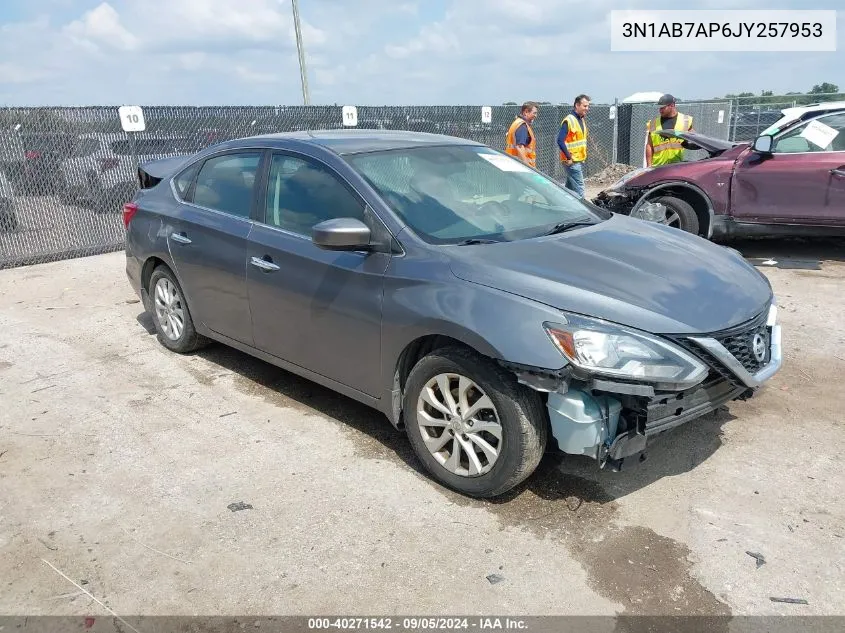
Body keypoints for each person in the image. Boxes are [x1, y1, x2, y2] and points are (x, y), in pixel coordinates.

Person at [645, 94, 695, 167]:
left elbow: (694, 138)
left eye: (663, 107)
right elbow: (649, 145)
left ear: (672, 105)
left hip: (677, 165)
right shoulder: (653, 123)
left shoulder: (685, 120)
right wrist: (649, 165)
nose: (660, 110)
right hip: (657, 166)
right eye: (659, 108)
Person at [556, 94, 590, 198]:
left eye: (588, 106)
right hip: (572, 161)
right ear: (577, 105)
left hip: (578, 159)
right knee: (579, 187)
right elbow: (560, 140)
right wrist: (569, 157)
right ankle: (585, 211)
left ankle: (564, 205)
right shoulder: (569, 120)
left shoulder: (581, 119)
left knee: (570, 188)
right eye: (585, 106)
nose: (587, 109)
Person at [505, 102, 538, 167]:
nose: (536, 116)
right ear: (526, 112)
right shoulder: (522, 126)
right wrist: (528, 167)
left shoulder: (517, 123)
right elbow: (520, 147)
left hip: (513, 163)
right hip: (519, 166)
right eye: (534, 113)